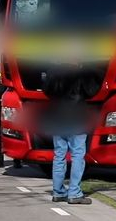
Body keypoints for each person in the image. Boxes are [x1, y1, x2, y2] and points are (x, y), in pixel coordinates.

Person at [42, 63, 102, 205]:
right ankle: (74, 192)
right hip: (77, 119)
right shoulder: (81, 73)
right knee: (77, 156)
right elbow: (92, 91)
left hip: (58, 118)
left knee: (59, 156)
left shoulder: (54, 72)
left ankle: (58, 192)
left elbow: (46, 91)